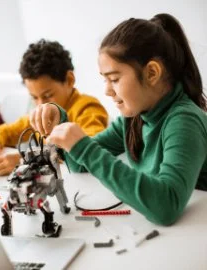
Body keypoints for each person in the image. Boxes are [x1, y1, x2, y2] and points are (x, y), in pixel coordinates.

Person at [30, 14, 207, 226]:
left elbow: (167, 207)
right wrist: (60, 120)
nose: (107, 91)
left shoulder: (184, 121)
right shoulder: (134, 118)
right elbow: (79, 164)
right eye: (105, 80)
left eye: (114, 79)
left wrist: (84, 148)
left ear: (152, 73)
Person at [0, 39, 108, 176]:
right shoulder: (41, 113)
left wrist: (26, 159)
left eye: (48, 95)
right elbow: (4, 131)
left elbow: (91, 149)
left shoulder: (88, 108)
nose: (41, 104)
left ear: (69, 80)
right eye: (34, 97)